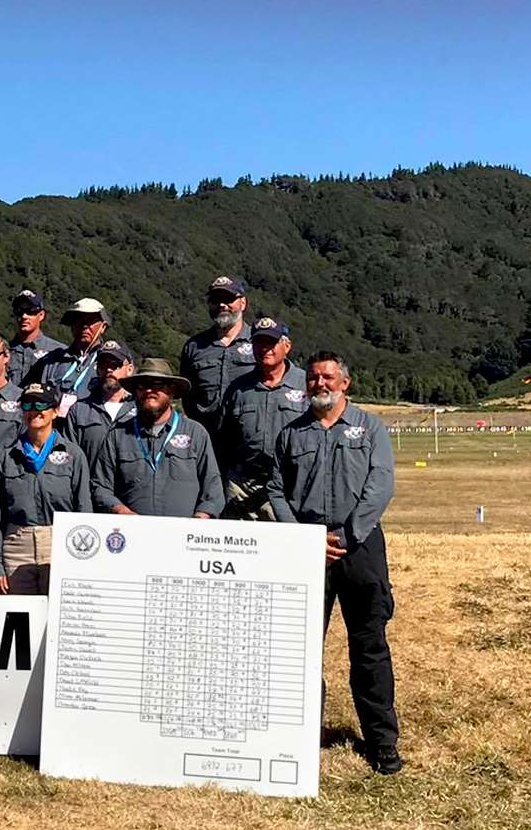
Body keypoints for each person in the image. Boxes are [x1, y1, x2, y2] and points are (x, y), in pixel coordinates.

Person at [267, 351, 401, 775]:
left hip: (359, 549)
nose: (319, 384)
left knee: (370, 647)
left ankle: (381, 742)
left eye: (327, 377)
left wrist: (346, 534)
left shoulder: (370, 428)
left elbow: (380, 485)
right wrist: (303, 537)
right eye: (312, 378)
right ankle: (303, 736)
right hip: (306, 550)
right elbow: (275, 490)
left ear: (345, 383)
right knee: (303, 651)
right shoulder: (291, 435)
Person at [0, 383, 92, 595]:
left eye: (41, 404)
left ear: (54, 411)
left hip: (60, 545)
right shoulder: (7, 457)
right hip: (16, 547)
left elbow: (84, 510)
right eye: (28, 405)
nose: (34, 410)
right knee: (21, 622)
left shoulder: (73, 455)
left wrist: (82, 558)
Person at [91, 358, 224, 518]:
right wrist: (121, 511)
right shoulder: (117, 435)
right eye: (142, 385)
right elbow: (100, 487)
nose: (149, 390)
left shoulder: (196, 433)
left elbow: (213, 489)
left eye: (157, 384)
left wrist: (200, 518)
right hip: (131, 537)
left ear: (172, 390)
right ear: (135, 391)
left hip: (184, 537)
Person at [219, 317, 307, 520]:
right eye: (258, 342)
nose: (265, 348)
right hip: (242, 486)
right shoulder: (238, 388)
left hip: (288, 486)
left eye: (271, 342)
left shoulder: (305, 384)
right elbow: (225, 439)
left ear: (287, 346)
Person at [180, 275, 254, 440]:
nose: (222, 305)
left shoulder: (259, 343)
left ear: (243, 303)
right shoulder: (194, 346)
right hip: (206, 441)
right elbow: (187, 396)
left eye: (228, 299)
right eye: (215, 300)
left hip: (248, 442)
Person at [59, 339, 137, 467]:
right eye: (103, 364)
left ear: (129, 369)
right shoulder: (78, 411)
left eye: (115, 364)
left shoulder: (141, 410)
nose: (108, 369)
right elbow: (70, 460)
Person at [24, 298, 108, 415]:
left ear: (103, 327)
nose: (84, 326)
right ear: (71, 326)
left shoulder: (109, 362)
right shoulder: (52, 361)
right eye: (78, 321)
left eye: (90, 321)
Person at [6, 289, 64, 386]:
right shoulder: (2, 352)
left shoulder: (58, 352)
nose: (24, 316)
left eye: (30, 311)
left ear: (41, 315)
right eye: (19, 311)